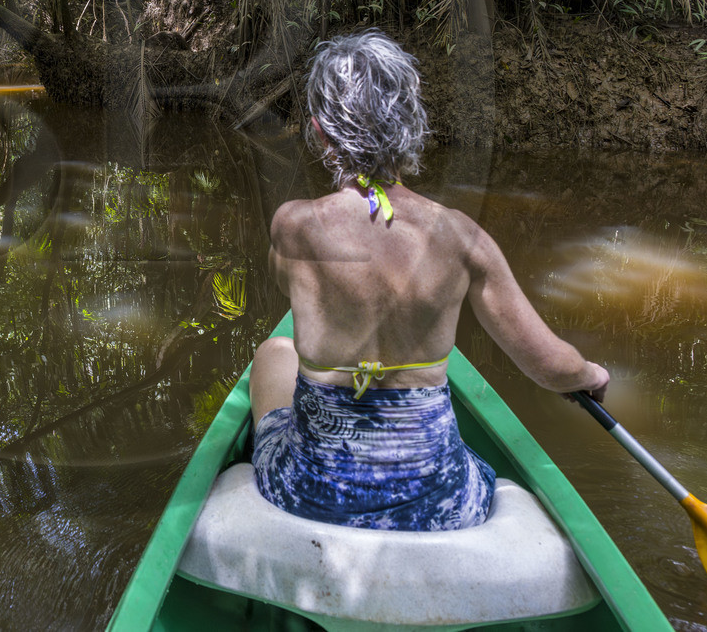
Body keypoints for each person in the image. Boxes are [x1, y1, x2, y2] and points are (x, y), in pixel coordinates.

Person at [250, 30, 609, 531]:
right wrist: (588, 375)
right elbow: (550, 366)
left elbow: (283, 285)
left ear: (319, 133)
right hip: (437, 502)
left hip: (313, 493)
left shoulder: (295, 226)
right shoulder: (462, 237)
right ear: (410, 127)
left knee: (274, 352)